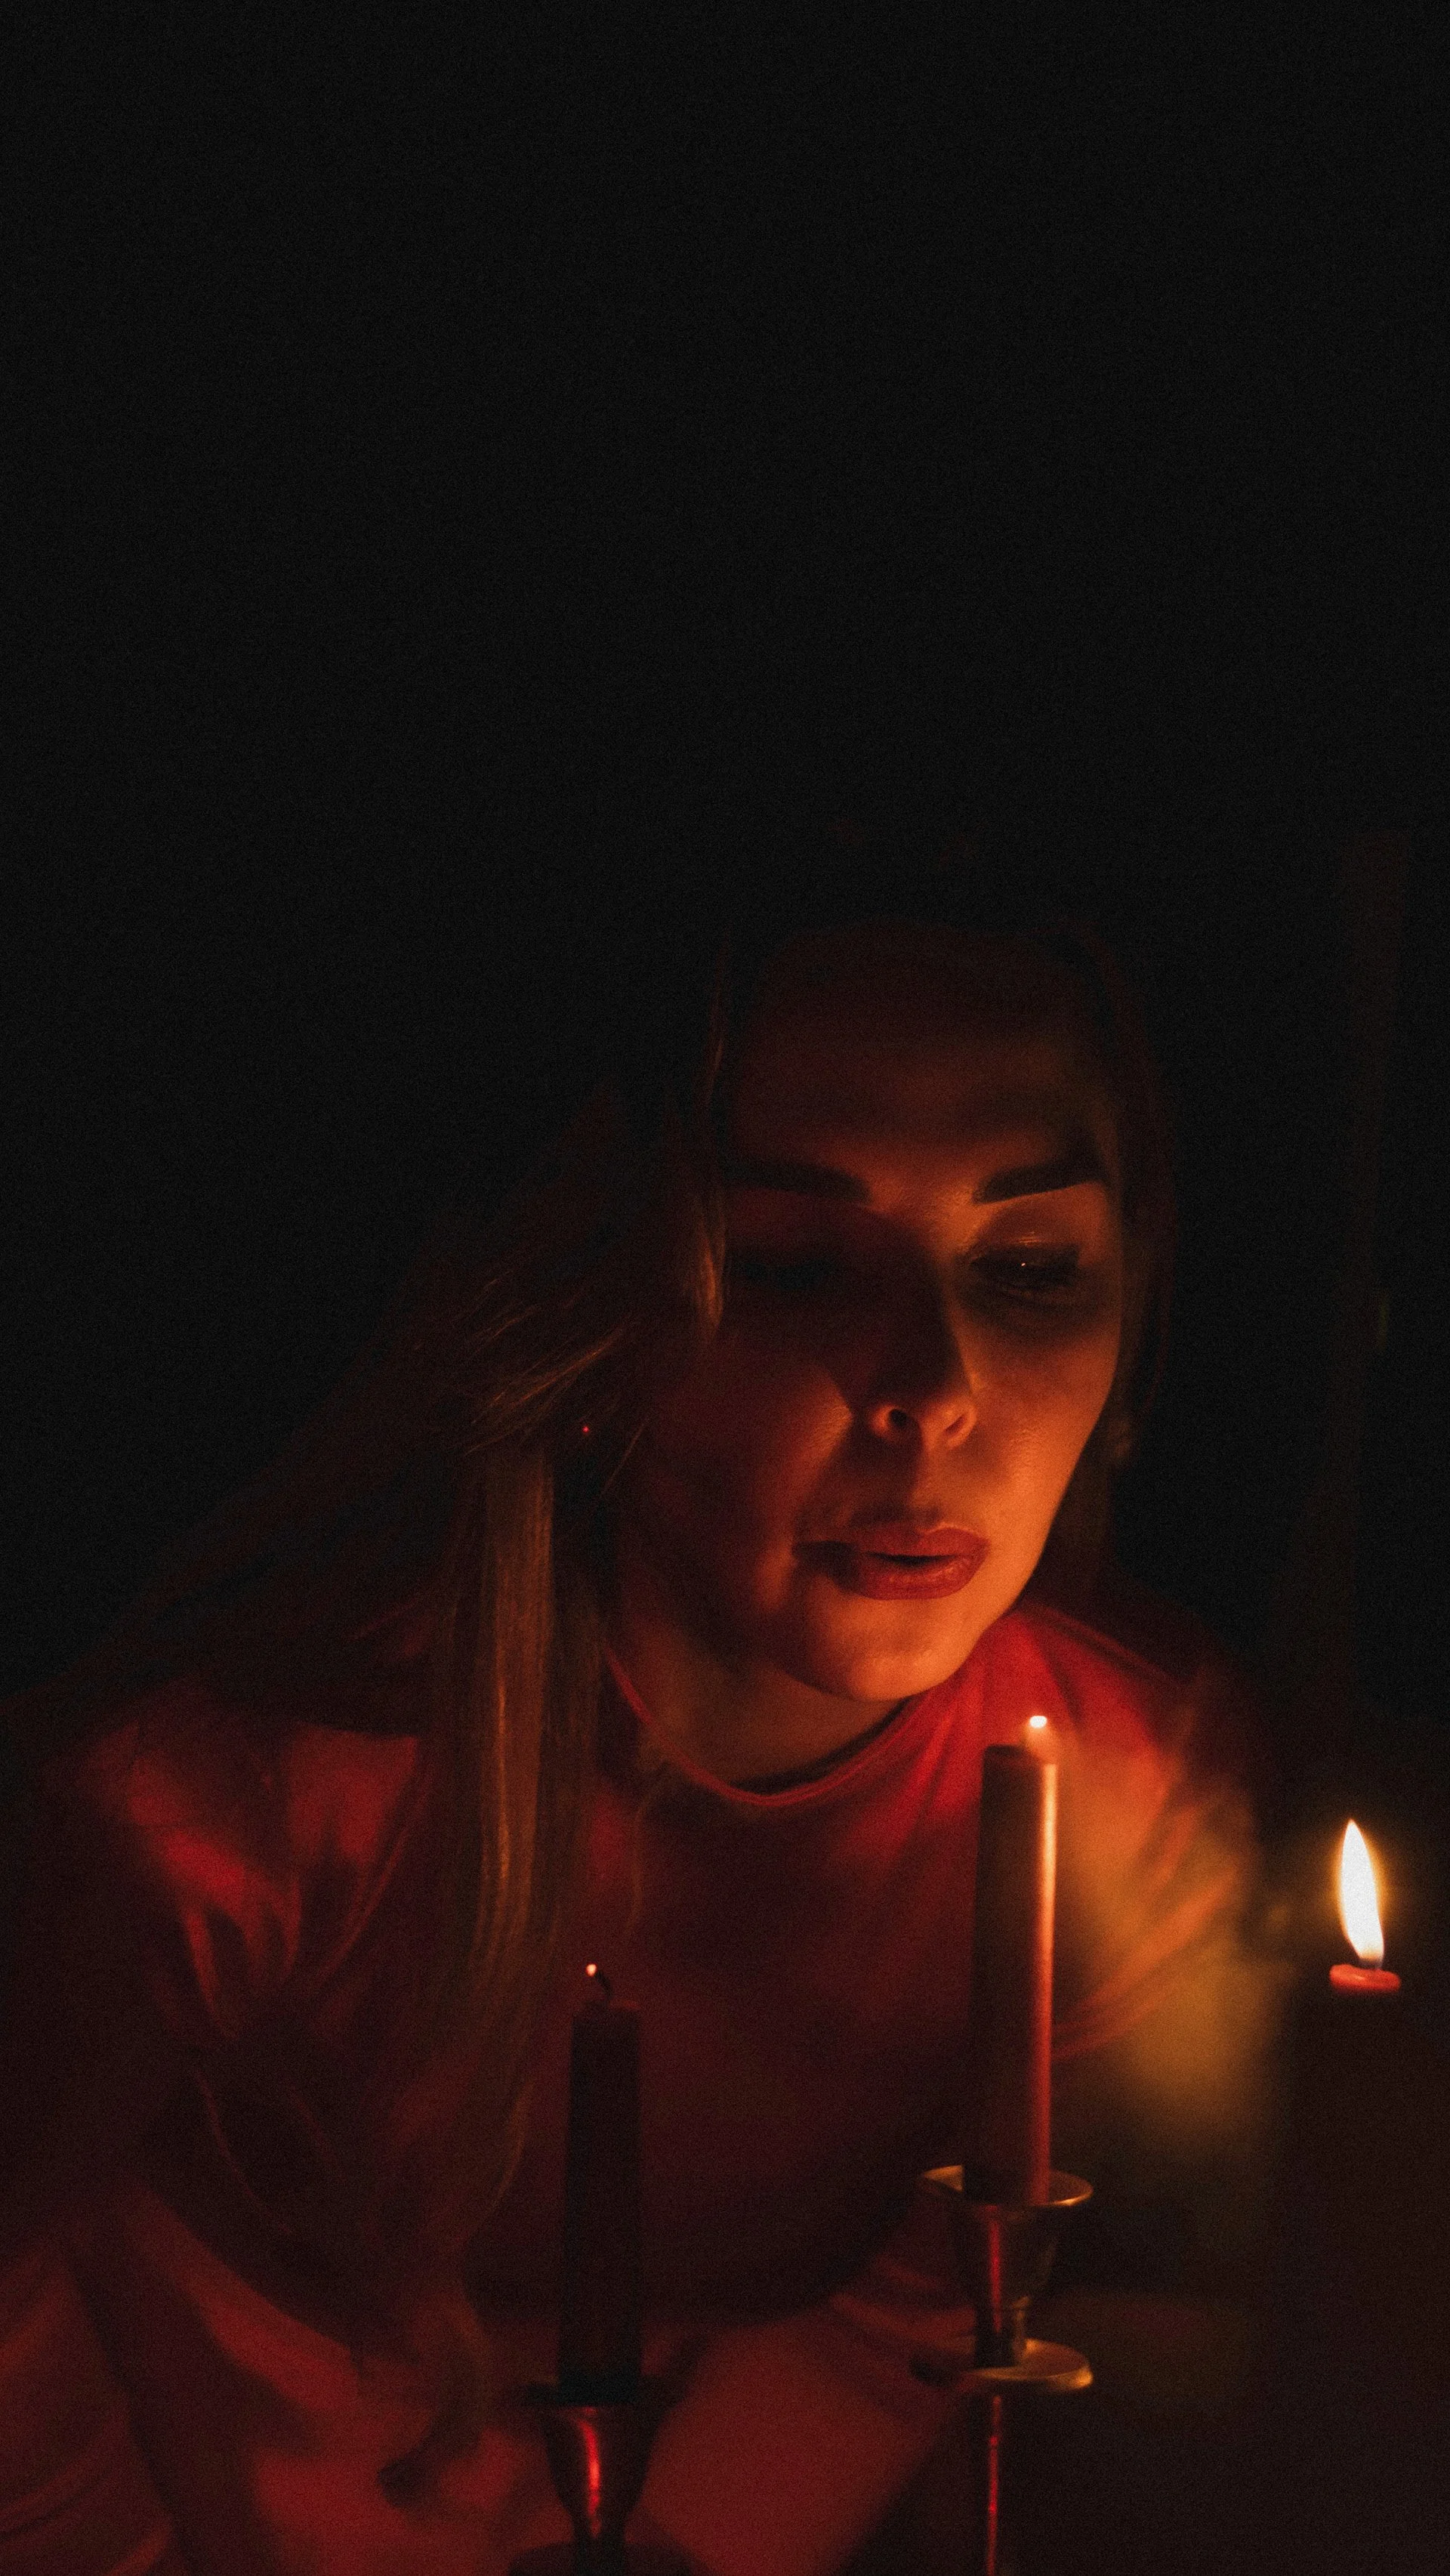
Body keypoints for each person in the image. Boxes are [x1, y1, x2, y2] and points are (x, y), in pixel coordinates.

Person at [0, 872, 1278, 2576]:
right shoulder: (245, 1797)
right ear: (604, 1301)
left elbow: (924, 2329)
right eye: (798, 1264)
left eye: (1031, 1267)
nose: (935, 1381)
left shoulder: (1120, 1787)